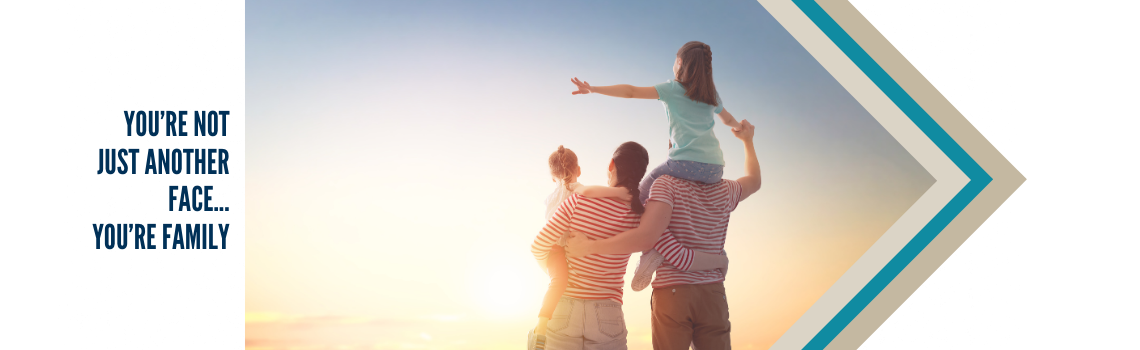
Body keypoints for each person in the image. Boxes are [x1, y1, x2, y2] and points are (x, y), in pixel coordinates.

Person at [565, 120, 762, 350]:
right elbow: (755, 181)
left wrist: (589, 246)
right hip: (714, 292)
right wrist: (748, 142)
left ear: (674, 150)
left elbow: (655, 242)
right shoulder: (726, 189)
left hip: (673, 292)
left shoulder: (665, 186)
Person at [570, 41, 745, 290]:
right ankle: (659, 248)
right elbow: (728, 119)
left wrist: (594, 89)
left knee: (639, 198)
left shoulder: (672, 89)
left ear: (680, 64)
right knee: (660, 205)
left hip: (684, 164)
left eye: (675, 59)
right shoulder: (710, 95)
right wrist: (741, 129)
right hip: (715, 169)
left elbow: (630, 91)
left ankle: (650, 253)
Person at [529, 142, 730, 350]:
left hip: (563, 307)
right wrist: (719, 260)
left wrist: (559, 277)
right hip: (607, 312)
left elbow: (538, 246)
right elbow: (675, 253)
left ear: (611, 165)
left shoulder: (578, 201)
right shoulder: (642, 215)